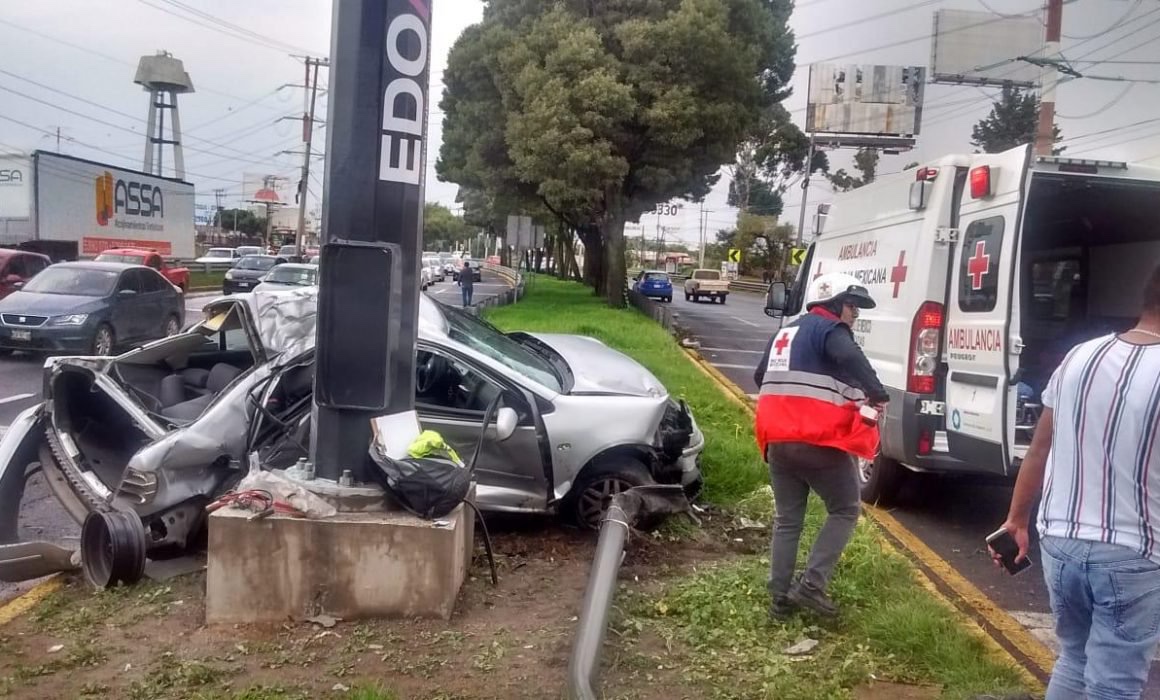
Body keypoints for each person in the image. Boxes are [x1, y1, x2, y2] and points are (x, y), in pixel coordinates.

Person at [993, 263, 1160, 700]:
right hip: (1134, 551)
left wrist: (1016, 520)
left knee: (1074, 658)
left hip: (1061, 543)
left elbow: (1038, 448)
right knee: (1115, 682)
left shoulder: (1080, 355)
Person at [754, 272, 890, 619]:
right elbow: (851, 358)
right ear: (833, 303)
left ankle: (779, 600)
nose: (856, 313)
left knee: (788, 521)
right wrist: (877, 394)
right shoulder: (830, 330)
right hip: (816, 439)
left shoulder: (783, 333)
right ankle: (812, 586)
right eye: (852, 304)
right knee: (845, 508)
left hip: (777, 441)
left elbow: (759, 376)